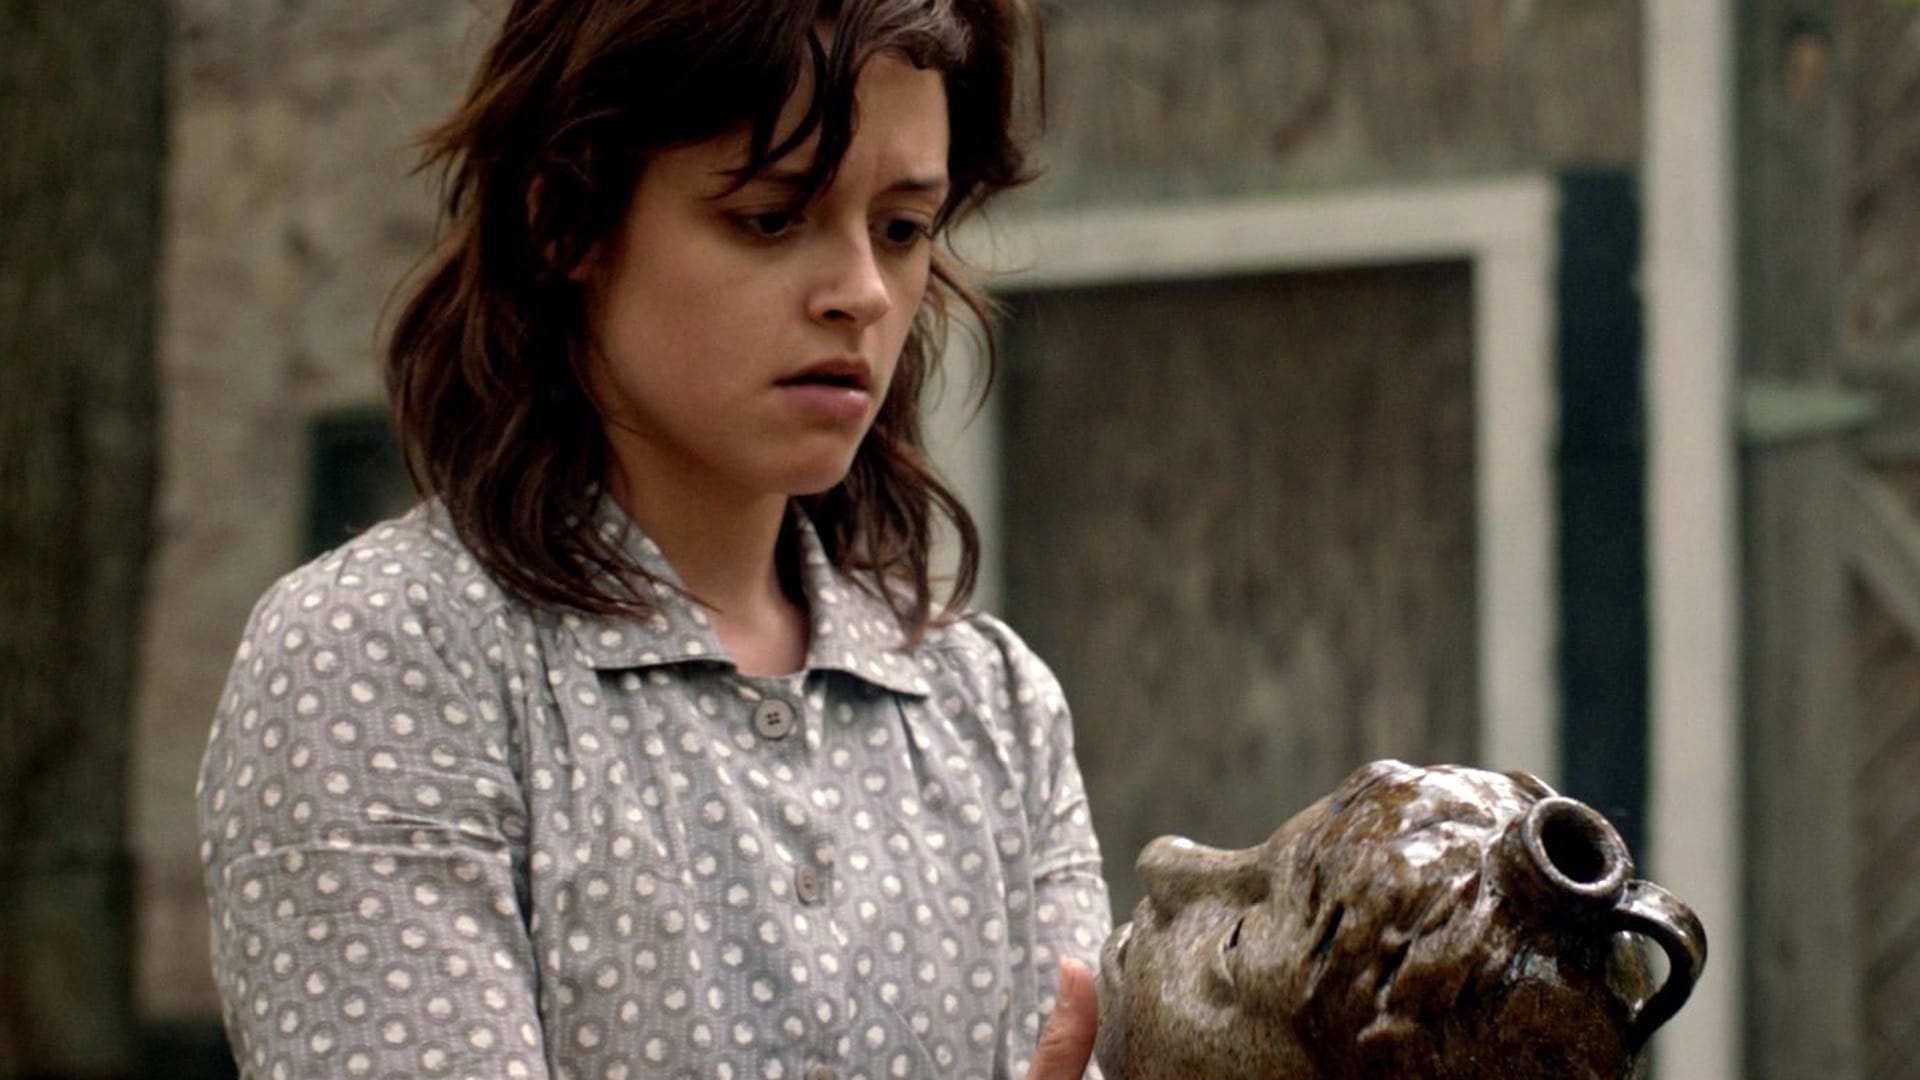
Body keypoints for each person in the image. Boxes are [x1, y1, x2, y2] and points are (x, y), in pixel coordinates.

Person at [194, 1, 1111, 1077]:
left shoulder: (992, 708)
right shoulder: (384, 657)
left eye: (902, 229)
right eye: (771, 217)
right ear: (566, 217)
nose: (862, 293)